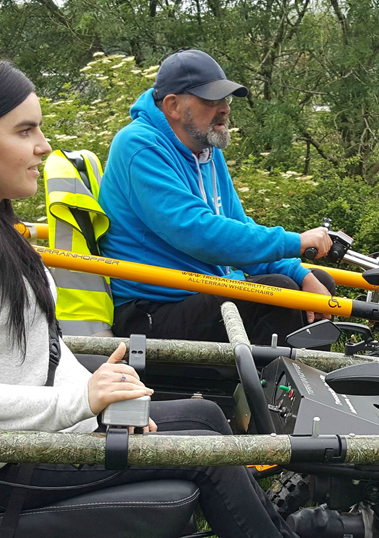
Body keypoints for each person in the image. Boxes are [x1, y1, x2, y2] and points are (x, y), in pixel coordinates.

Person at [0, 52, 365, 538]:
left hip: (32, 438)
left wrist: (105, 400)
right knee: (202, 451)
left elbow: (37, 352)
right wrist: (84, 405)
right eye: (25, 131)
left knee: (201, 417)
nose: (45, 147)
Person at [98, 49, 335, 345]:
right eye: (212, 100)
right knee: (276, 294)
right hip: (151, 311)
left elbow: (236, 223)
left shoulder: (207, 151)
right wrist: (295, 242)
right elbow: (197, 231)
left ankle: (304, 381)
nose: (225, 108)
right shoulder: (138, 146)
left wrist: (298, 270)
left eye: (226, 99)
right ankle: (267, 388)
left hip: (199, 292)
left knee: (314, 283)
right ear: (173, 105)